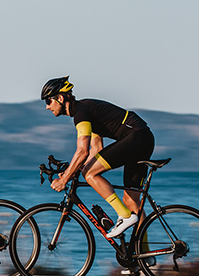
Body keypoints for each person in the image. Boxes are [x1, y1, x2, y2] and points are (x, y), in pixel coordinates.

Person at [40, 76, 155, 239]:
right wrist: (71, 171)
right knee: (131, 201)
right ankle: (144, 252)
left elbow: (82, 151)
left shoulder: (81, 113)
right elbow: (96, 149)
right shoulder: (85, 110)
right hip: (143, 138)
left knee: (90, 173)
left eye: (48, 101)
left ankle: (124, 216)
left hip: (136, 137)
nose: (47, 107)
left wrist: (64, 179)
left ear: (60, 98)